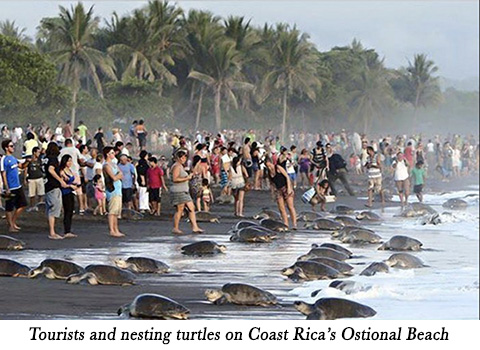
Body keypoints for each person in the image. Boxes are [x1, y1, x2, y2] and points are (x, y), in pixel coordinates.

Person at [170, 150, 204, 234]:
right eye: (182, 157)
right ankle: (175, 228)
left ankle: (195, 227)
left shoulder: (180, 166)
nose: (184, 159)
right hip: (178, 191)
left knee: (191, 208)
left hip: (184, 191)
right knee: (180, 209)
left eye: (185, 157)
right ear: (178, 157)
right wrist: (187, 178)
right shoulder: (176, 166)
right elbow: (175, 179)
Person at [1, 139, 28, 232]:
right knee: (9, 207)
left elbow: (22, 166)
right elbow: (3, 174)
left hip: (18, 185)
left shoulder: (13, 158)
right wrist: (6, 187)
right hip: (10, 187)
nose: (13, 148)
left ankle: (13, 222)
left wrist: (28, 161)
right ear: (6, 148)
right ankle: (11, 226)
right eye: (11, 146)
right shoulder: (4, 159)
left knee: (23, 204)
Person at [265, 157, 297, 229]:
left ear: (272, 163)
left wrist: (289, 188)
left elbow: (287, 177)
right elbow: (272, 184)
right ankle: (286, 224)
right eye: (267, 166)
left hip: (285, 187)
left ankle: (294, 224)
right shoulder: (269, 173)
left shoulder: (278, 167)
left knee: (290, 206)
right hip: (278, 190)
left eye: (270, 165)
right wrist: (272, 193)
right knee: (281, 208)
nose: (269, 168)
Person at [43, 142, 65, 240]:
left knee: (50, 208)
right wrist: (60, 180)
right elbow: (51, 169)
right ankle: (52, 232)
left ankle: (52, 231)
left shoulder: (45, 158)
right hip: (53, 185)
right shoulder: (53, 159)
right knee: (54, 208)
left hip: (47, 185)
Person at [103, 146, 124, 237]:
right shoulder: (106, 165)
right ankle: (112, 230)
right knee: (112, 211)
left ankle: (116, 229)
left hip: (118, 189)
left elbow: (121, 174)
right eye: (111, 153)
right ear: (107, 154)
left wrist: (118, 175)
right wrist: (118, 175)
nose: (113, 154)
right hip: (112, 189)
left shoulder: (114, 164)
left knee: (116, 211)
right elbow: (114, 177)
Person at [59, 155, 79, 238]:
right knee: (67, 211)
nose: (70, 163)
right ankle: (66, 231)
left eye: (71, 161)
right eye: (68, 161)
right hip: (65, 193)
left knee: (71, 211)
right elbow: (62, 184)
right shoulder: (62, 171)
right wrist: (70, 186)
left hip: (71, 192)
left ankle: (69, 230)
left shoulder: (69, 170)